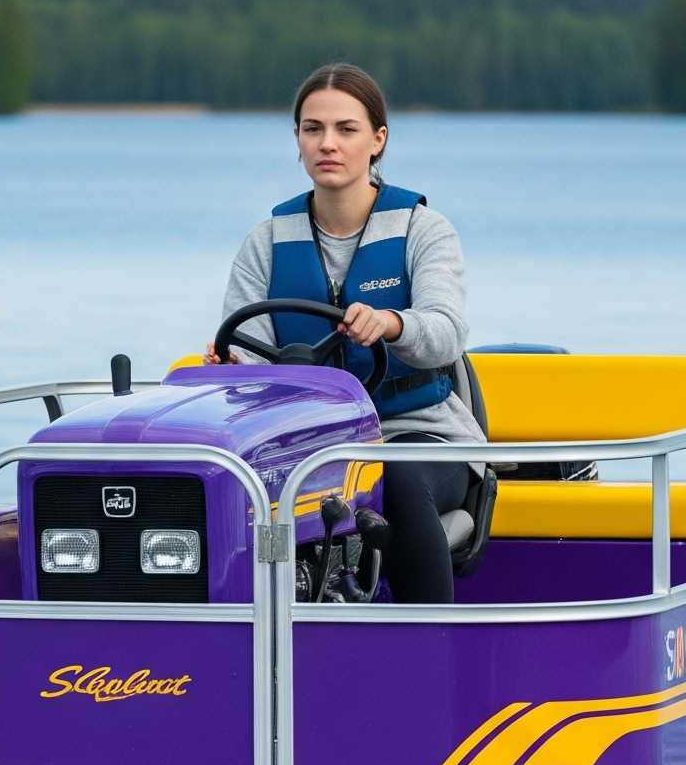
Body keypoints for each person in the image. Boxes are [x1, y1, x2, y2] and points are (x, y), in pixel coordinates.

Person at [204, 61, 484, 604]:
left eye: (345, 129)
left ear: (377, 141)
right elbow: (248, 355)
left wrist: (391, 323)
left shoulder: (422, 229)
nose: (327, 143)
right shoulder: (265, 241)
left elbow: (447, 332)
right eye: (313, 129)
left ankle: (430, 645)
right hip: (303, 443)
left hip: (417, 433)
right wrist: (232, 370)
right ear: (298, 140)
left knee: (390, 478)